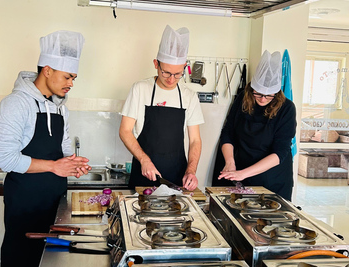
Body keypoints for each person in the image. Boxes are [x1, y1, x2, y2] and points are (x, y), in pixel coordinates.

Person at [0, 30, 90, 267]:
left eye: (74, 78)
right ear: (47, 70)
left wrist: (72, 163)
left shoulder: (61, 108)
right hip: (25, 206)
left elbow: (59, 151)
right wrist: (54, 166)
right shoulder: (16, 104)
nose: (71, 83)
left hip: (54, 206)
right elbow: (4, 158)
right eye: (67, 77)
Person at [119, 25, 204, 191]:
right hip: (143, 175)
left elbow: (195, 140)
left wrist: (191, 171)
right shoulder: (140, 89)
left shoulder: (189, 96)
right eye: (166, 73)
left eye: (178, 74)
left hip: (177, 178)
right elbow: (125, 131)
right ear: (156, 64)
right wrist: (144, 160)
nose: (172, 79)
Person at [216, 50, 296, 201]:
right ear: (251, 88)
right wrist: (230, 161)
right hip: (241, 174)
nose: (263, 99)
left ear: (277, 93)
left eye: (269, 95)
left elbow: (280, 152)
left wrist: (243, 173)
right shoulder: (242, 99)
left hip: (273, 180)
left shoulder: (287, 109)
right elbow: (228, 133)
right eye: (258, 93)